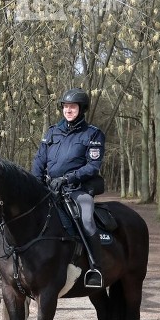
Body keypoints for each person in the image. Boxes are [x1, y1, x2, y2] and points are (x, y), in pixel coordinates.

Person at [32, 87, 105, 288]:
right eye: (65, 106)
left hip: (76, 189)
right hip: (48, 188)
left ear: (81, 109)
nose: (68, 110)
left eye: (72, 107)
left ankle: (95, 267)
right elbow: (39, 160)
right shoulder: (52, 132)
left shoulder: (93, 134)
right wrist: (36, 182)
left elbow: (92, 166)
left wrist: (67, 178)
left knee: (87, 220)